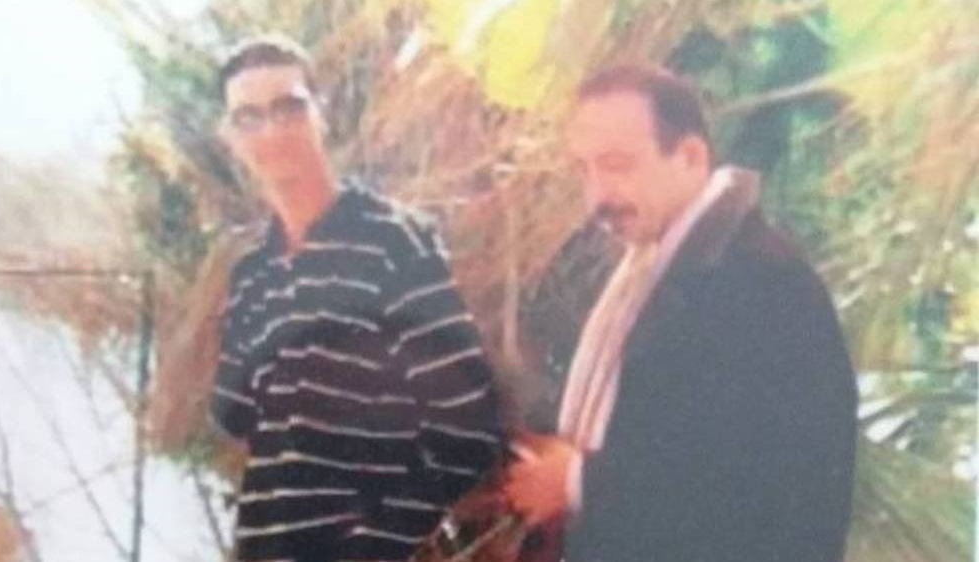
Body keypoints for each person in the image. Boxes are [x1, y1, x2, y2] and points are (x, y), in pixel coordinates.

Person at [503, 64, 858, 562]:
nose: (597, 197)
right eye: (585, 170)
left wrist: (578, 483)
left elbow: (751, 485)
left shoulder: (759, 280)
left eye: (617, 165)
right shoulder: (659, 261)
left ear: (691, 157)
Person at [209, 36, 503, 562]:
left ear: (321, 114)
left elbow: (468, 426)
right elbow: (238, 419)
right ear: (229, 136)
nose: (272, 131)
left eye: (289, 107)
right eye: (248, 117)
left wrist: (376, 544)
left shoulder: (391, 242)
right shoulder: (252, 275)